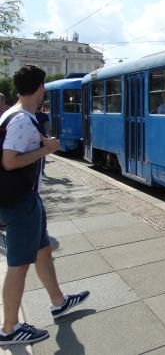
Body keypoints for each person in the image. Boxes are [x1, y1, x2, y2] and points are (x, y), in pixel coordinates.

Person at [0, 65, 90, 346]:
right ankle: (9, 329)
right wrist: (46, 149)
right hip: (19, 201)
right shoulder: (21, 121)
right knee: (19, 265)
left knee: (43, 251)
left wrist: (41, 143)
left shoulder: (16, 115)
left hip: (27, 197)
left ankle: (58, 301)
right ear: (40, 88)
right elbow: (9, 161)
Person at [35, 105, 51, 175]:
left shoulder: (44, 115)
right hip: (34, 138)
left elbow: (47, 127)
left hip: (43, 138)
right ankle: (38, 170)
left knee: (43, 155)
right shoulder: (31, 114)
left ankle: (41, 170)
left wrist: (50, 137)